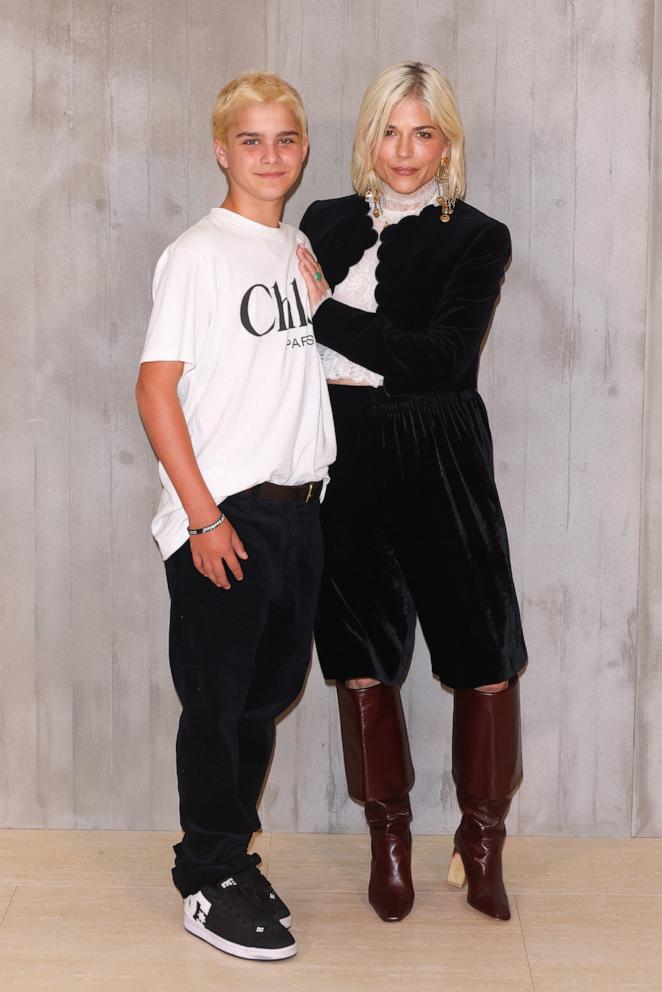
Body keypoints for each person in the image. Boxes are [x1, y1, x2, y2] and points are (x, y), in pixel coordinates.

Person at [297, 61, 526, 924]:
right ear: (367, 136)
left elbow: (440, 359)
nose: (405, 151)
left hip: (440, 446)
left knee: (483, 657)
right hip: (343, 446)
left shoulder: (478, 236)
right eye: (390, 131)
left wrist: (325, 316)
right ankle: (387, 839)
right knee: (360, 659)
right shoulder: (321, 222)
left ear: (448, 142)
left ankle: (481, 840)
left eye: (423, 133)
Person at [135, 72, 335, 961]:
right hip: (227, 515)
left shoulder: (293, 247)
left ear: (302, 148)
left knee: (263, 700)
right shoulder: (198, 254)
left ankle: (226, 853)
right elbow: (154, 389)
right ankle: (208, 878)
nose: (269, 156)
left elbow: (302, 369)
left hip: (298, 513)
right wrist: (204, 517)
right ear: (222, 149)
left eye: (284, 139)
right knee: (217, 706)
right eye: (250, 141)